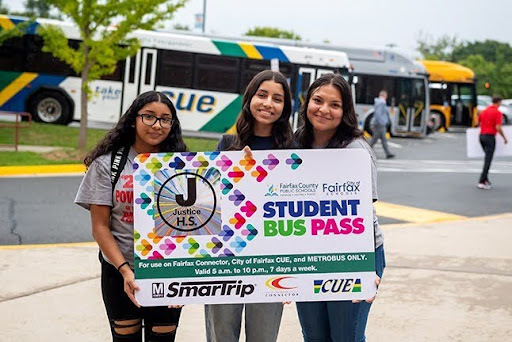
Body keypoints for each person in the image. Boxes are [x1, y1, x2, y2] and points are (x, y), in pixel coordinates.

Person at [75, 91, 187, 341]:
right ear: (133, 119)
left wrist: (185, 277)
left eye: (165, 119)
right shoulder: (107, 165)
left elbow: (194, 223)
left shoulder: (182, 165)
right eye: (149, 117)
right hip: (120, 271)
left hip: (167, 272)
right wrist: (125, 271)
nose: (157, 125)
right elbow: (100, 228)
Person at [204, 69, 294, 342]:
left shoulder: (293, 147)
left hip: (271, 260)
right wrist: (237, 172)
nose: (268, 103)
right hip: (226, 257)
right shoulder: (228, 143)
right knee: (222, 334)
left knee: (263, 337)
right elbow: (209, 202)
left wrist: (293, 272)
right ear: (249, 98)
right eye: (262, 95)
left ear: (285, 107)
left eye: (277, 99)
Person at [295, 73, 385, 342]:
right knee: (314, 337)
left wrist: (365, 269)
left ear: (345, 111)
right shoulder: (297, 142)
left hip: (353, 255)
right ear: (307, 102)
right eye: (317, 100)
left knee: (346, 337)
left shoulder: (356, 149)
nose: (324, 109)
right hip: (309, 255)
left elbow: (362, 216)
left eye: (334, 105)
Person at [477, 94, 508, 189]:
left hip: (481, 136)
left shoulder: (483, 111)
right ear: (498, 102)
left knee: (487, 158)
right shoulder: (498, 113)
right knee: (488, 160)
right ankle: (481, 181)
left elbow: (478, 123)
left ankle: (485, 179)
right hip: (490, 137)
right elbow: (498, 127)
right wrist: (504, 138)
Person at [369, 90, 395, 159]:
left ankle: (388, 153)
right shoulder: (381, 102)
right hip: (380, 124)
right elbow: (378, 114)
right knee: (376, 139)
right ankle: (366, 150)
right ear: (384, 95)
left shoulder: (380, 102)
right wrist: (382, 122)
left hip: (380, 124)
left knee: (382, 139)